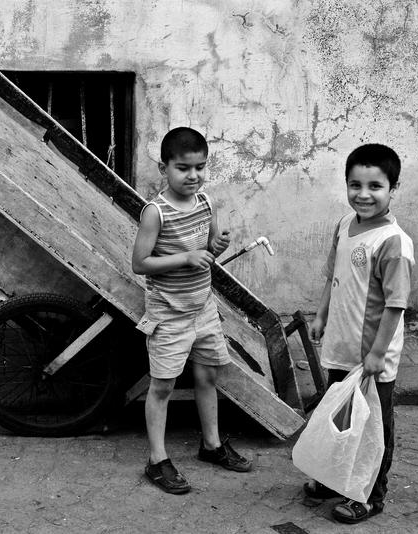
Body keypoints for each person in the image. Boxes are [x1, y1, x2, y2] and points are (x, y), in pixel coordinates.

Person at [131, 126, 252, 495]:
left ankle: (212, 446)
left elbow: (207, 253)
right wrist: (186, 256)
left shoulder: (206, 203)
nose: (193, 175)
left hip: (203, 309)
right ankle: (157, 460)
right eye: (183, 168)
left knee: (207, 378)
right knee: (163, 386)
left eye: (200, 167)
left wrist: (216, 245)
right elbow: (139, 263)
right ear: (163, 168)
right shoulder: (156, 212)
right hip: (169, 314)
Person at [305, 143, 415, 523]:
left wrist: (377, 354)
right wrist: (321, 315)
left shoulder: (393, 243)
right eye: (355, 185)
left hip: (372, 358)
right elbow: (332, 278)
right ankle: (338, 480)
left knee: (373, 428)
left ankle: (370, 496)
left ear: (393, 189)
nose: (363, 194)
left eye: (375, 186)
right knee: (341, 418)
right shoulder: (343, 225)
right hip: (340, 347)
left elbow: (395, 305)